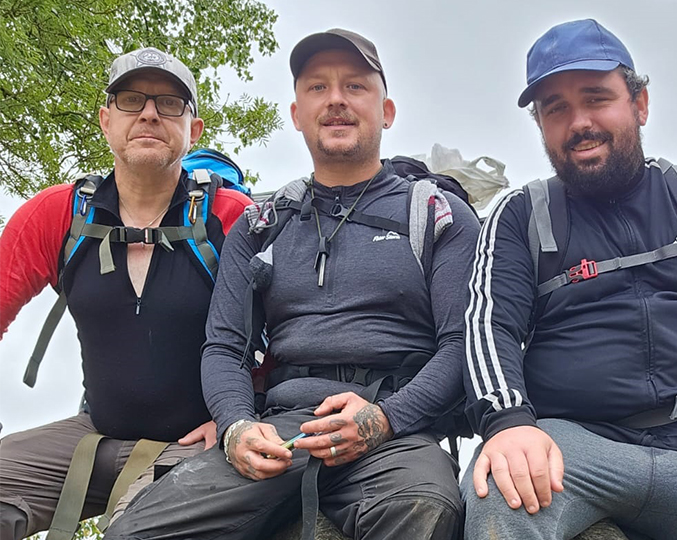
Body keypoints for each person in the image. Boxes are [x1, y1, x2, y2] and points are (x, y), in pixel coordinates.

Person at [105, 28, 478, 540]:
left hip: (396, 428)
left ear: (386, 111)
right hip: (281, 428)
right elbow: (224, 347)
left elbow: (462, 345)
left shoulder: (436, 214)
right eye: (318, 88)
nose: (336, 101)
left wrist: (386, 419)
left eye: (355, 86)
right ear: (296, 114)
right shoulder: (260, 224)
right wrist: (236, 425)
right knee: (136, 530)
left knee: (425, 507)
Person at [462, 18, 677, 540]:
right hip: (573, 451)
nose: (579, 121)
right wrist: (507, 421)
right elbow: (486, 323)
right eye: (555, 108)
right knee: (500, 494)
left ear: (640, 104)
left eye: (596, 97)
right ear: (540, 125)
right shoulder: (520, 214)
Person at [0, 47, 252, 539]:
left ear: (193, 130)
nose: (150, 114)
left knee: (138, 529)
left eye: (170, 103)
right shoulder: (60, 214)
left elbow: (285, 329)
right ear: (106, 120)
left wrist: (239, 418)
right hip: (94, 433)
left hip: (199, 442)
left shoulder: (230, 216)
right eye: (132, 99)